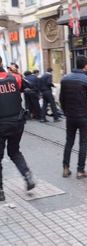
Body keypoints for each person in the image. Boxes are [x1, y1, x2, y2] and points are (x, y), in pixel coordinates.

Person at [0, 56, 35, 201]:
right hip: (17, 123)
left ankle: (1, 191)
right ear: (2, 63)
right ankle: (27, 175)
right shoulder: (15, 77)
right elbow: (28, 87)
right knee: (14, 152)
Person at [59, 56, 87, 179]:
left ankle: (66, 168)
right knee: (83, 143)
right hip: (84, 116)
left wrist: (66, 111)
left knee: (69, 142)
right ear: (85, 65)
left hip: (71, 116)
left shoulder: (65, 79)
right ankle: (80, 170)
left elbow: (61, 98)